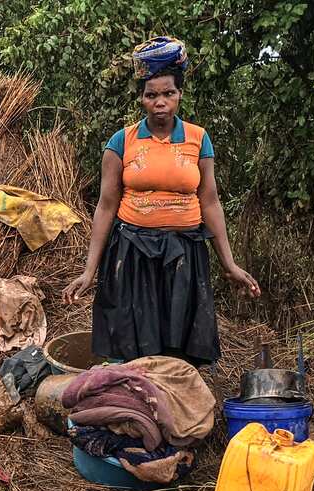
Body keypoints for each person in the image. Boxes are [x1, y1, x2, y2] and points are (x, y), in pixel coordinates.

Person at [65, 36, 259, 367]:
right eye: (151, 95)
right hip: (131, 253)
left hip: (184, 254)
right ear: (141, 99)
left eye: (168, 93)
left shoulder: (198, 139)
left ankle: (176, 408)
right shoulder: (121, 141)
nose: (160, 102)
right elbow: (106, 206)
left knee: (178, 347)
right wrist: (89, 271)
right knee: (132, 344)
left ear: (180, 95)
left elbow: (210, 202)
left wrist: (229, 263)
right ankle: (136, 410)